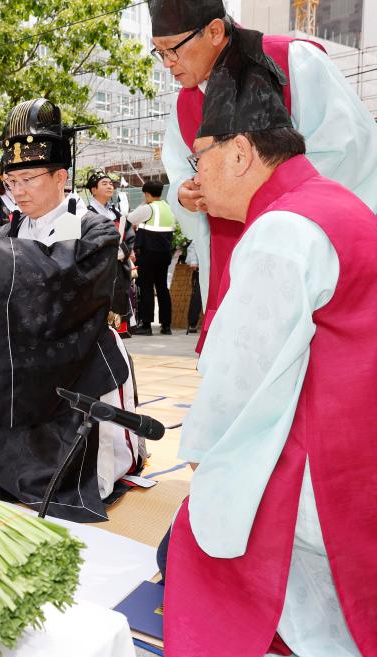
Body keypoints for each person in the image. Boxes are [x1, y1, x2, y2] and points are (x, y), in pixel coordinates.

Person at [163, 43, 377, 657]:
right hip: (357, 450)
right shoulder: (342, 206)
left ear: (240, 150)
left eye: (199, 158)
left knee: (199, 544)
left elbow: (239, 385)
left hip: (324, 469)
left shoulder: (283, 232)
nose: (194, 179)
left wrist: (205, 465)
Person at [0, 99, 143, 522]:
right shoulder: (8, 229)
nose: (17, 191)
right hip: (19, 360)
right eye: (10, 181)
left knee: (65, 481)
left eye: (27, 179)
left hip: (80, 357)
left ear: (60, 176)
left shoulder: (92, 226)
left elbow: (70, 280)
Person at [152, 0, 377, 351]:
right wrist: (185, 192)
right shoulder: (184, 103)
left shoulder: (292, 61)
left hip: (304, 260)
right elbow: (179, 172)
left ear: (214, 31)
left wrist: (260, 196)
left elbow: (348, 152)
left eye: (172, 50)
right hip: (232, 259)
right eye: (158, 53)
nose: (167, 64)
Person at [85, 171, 135, 338]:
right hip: (97, 268)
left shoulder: (117, 213)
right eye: (104, 183)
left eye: (110, 183)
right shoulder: (85, 214)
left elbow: (129, 236)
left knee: (117, 301)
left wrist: (123, 252)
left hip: (118, 266)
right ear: (93, 189)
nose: (109, 186)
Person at [128, 181, 175, 335]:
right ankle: (166, 326)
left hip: (148, 253)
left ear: (147, 194)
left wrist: (144, 203)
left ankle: (146, 325)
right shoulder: (168, 208)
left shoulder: (148, 208)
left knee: (147, 288)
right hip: (164, 254)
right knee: (162, 288)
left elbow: (129, 219)